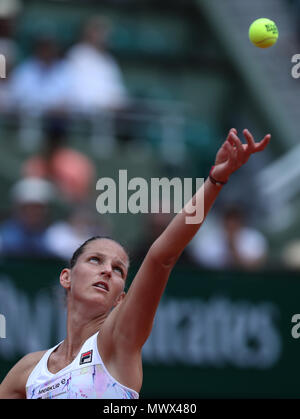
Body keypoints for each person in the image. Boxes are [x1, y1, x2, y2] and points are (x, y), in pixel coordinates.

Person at [0, 128, 271, 398]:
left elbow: (161, 258)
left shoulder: (117, 340)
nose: (107, 270)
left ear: (121, 298)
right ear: (66, 277)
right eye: (95, 260)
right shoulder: (28, 371)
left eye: (118, 270)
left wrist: (215, 179)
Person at [188, 203, 268, 270]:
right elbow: (199, 264)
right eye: (228, 219)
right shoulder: (208, 239)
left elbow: (257, 264)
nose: (231, 223)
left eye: (235, 219)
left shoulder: (254, 238)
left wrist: (233, 248)